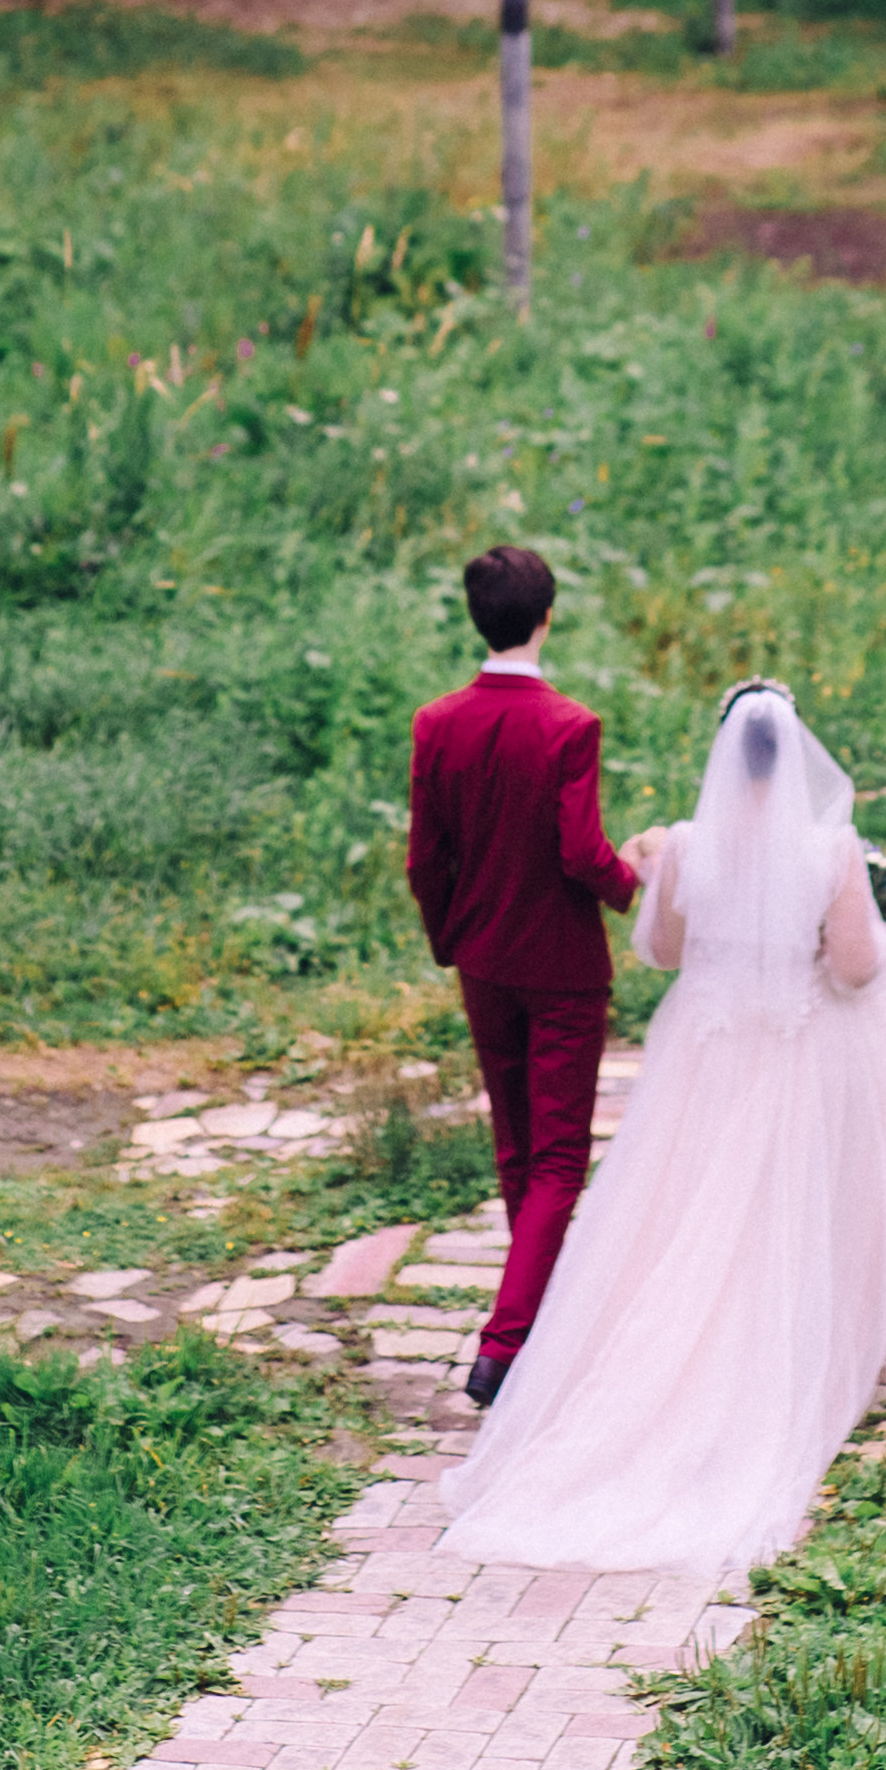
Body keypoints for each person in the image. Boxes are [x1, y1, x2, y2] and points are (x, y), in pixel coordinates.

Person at [439, 677, 886, 1582]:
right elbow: (857, 971)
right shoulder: (829, 850)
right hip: (793, 1050)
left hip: (703, 1053)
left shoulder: (684, 846)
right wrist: (867, 925)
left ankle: (659, 1363)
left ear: (720, 752)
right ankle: (783, 1361)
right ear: (793, 754)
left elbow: (665, 952)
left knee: (680, 1206)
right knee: (790, 1201)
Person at [407, 543, 644, 1406]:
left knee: (516, 1147)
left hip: (483, 960)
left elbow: (424, 859)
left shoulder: (437, 722)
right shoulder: (567, 726)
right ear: (548, 617)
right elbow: (580, 852)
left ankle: (530, 1315)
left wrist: (449, 940)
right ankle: (505, 1344)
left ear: (478, 619)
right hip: (561, 966)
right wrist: (636, 890)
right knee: (559, 1159)